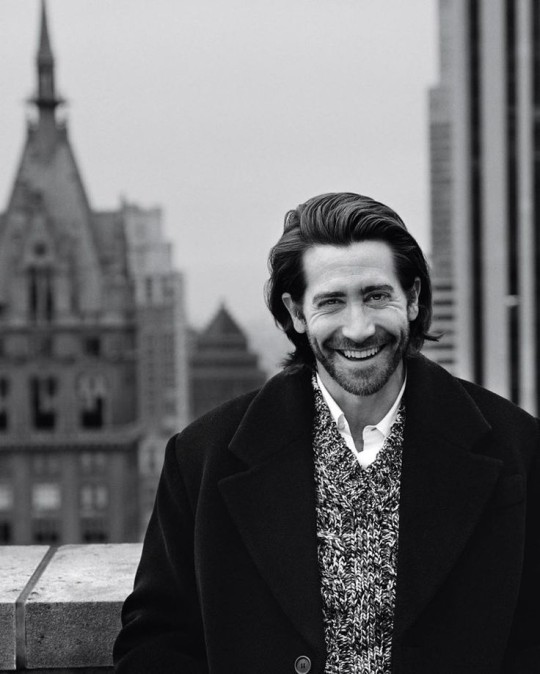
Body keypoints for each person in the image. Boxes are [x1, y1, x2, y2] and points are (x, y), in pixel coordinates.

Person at [114, 192, 539, 673]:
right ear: (297, 313)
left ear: (413, 299)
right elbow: (155, 640)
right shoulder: (201, 458)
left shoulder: (517, 449)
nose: (358, 329)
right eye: (332, 302)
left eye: (376, 296)